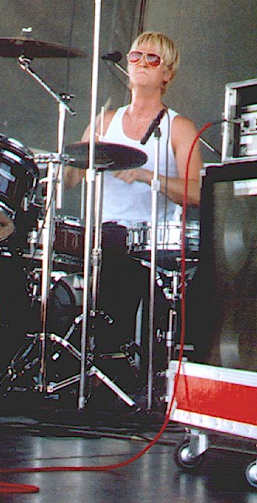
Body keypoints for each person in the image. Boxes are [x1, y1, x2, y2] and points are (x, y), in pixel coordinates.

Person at [65, 31, 202, 392]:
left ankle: (120, 375)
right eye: (135, 56)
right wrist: (71, 159)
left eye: (152, 58)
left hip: (151, 244)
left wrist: (147, 176)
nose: (141, 63)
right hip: (102, 236)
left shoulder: (179, 127)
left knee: (120, 280)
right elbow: (69, 179)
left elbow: (197, 192)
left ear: (167, 74)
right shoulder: (104, 121)